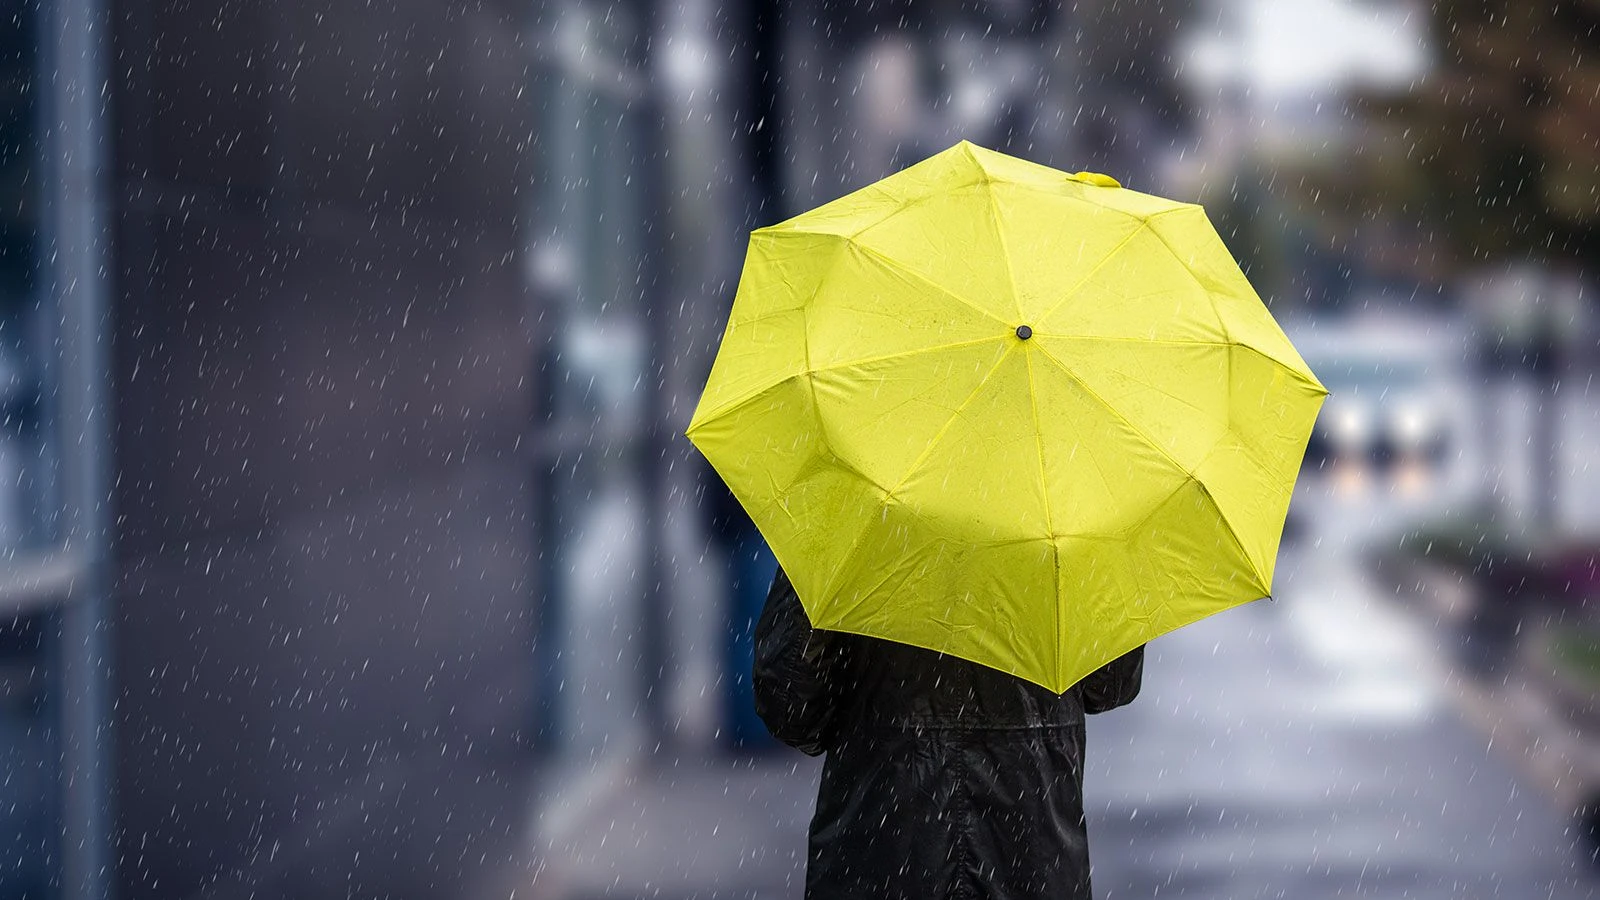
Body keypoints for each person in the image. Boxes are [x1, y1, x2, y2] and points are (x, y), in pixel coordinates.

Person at [753, 565, 1144, 899]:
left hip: (885, 843)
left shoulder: (857, 509)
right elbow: (1111, 684)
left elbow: (790, 706)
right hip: (1032, 847)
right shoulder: (1070, 506)